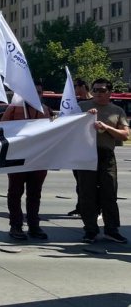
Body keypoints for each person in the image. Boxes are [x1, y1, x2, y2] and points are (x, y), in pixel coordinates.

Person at [78, 78, 129, 244]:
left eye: (102, 90)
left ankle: (111, 230)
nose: (98, 93)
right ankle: (90, 230)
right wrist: (85, 118)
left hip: (106, 155)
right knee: (87, 194)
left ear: (110, 92)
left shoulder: (116, 110)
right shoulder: (82, 107)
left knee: (109, 193)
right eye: (95, 89)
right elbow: (68, 127)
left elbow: (125, 135)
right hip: (86, 154)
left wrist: (106, 127)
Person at [1, 81, 52, 240]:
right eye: (33, 92)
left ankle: (34, 225)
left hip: (39, 159)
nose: (36, 95)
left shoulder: (46, 110)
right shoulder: (14, 108)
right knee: (15, 192)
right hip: (17, 157)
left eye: (39, 92)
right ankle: (15, 225)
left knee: (35, 193)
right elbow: (1, 128)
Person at [67, 78, 93, 217]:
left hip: (91, 147)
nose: (74, 90)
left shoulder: (94, 103)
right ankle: (80, 206)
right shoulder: (76, 104)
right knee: (80, 181)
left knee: (92, 182)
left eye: (76, 86)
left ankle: (96, 208)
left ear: (83, 87)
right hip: (77, 147)